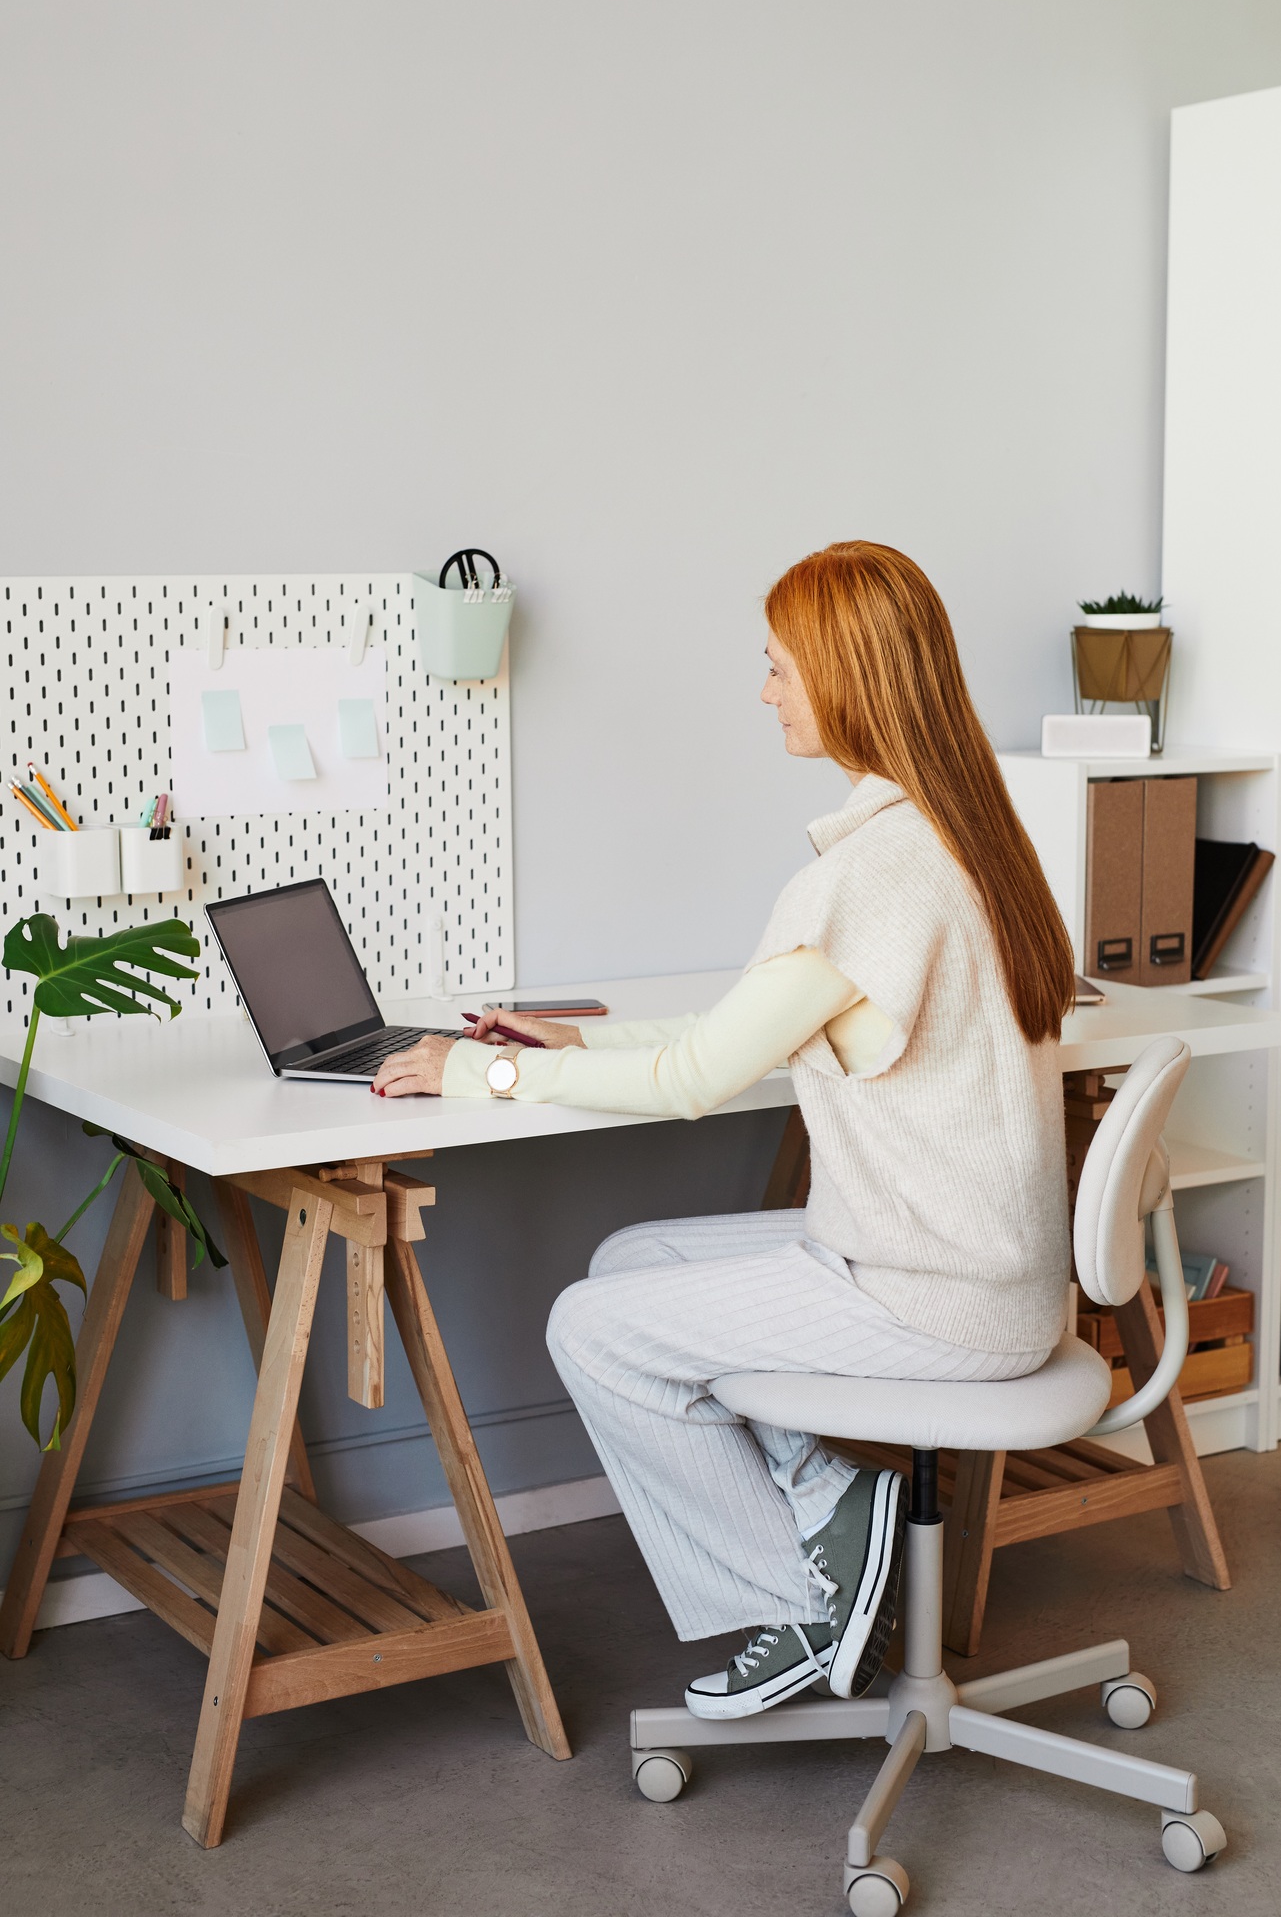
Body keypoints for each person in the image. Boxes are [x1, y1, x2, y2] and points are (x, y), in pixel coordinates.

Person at [372, 541, 1075, 1719]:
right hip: (984, 1274)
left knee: (588, 1326)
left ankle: (803, 1589)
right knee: (630, 1261)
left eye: (777, 668)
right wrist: (561, 1043)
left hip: (933, 1297)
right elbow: (726, 1028)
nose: (765, 693)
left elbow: (696, 1076)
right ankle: (832, 1495)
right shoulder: (968, 837)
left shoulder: (866, 879)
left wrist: (475, 1073)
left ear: (843, 678)